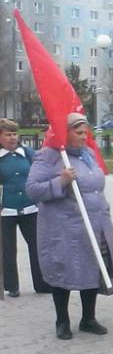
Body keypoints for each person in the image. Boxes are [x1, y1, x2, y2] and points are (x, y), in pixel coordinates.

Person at [26, 113, 113, 340]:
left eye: (85, 131)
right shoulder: (48, 156)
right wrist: (60, 181)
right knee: (64, 271)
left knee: (92, 268)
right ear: (64, 133)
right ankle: (62, 320)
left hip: (95, 224)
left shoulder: (88, 154)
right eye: (78, 132)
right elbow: (32, 190)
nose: (83, 136)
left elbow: (97, 187)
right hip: (65, 229)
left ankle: (88, 318)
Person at [0, 118, 50, 296]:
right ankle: (11, 286)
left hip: (30, 208)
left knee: (37, 246)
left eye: (15, 134)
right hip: (6, 210)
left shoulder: (28, 153)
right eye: (8, 134)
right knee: (7, 249)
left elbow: (42, 171)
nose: (13, 138)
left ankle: (42, 284)